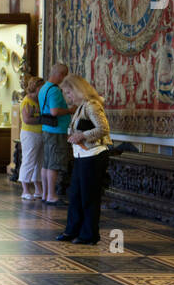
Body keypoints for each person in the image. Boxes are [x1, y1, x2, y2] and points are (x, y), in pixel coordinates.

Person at [58, 75, 113, 244]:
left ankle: (89, 234)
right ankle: (72, 230)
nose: (69, 97)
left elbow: (103, 128)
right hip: (82, 155)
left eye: (70, 92)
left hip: (94, 156)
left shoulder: (92, 105)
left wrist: (82, 135)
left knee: (89, 197)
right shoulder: (81, 106)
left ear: (78, 89)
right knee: (75, 195)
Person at [38, 63, 71, 206]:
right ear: (59, 74)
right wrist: (70, 110)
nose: (64, 79)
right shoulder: (55, 91)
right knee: (54, 164)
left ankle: (46, 194)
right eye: (64, 75)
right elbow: (55, 111)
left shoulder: (44, 88)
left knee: (46, 163)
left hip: (46, 128)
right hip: (56, 130)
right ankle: (51, 195)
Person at [18, 77, 45, 200]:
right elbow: (27, 119)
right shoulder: (27, 101)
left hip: (40, 133)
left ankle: (38, 189)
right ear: (36, 87)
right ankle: (25, 190)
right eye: (41, 87)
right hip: (30, 134)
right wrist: (42, 120)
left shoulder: (39, 100)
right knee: (29, 160)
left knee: (39, 162)